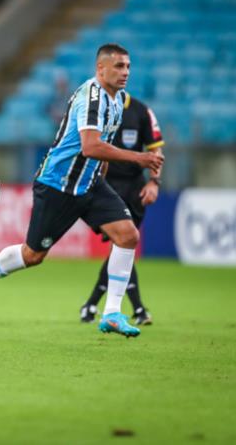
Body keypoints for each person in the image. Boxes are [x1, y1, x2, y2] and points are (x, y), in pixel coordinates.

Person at [0, 44, 163, 338]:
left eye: (128, 66)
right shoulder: (92, 98)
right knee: (33, 255)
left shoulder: (117, 101)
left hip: (90, 185)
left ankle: (112, 314)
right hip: (58, 185)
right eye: (119, 66)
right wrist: (140, 158)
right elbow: (91, 145)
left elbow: (99, 151)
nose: (125, 72)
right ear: (100, 69)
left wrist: (106, 191)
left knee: (128, 235)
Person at [79, 93, 164, 326]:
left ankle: (92, 305)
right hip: (104, 186)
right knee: (122, 246)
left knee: (122, 247)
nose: (122, 73)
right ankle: (137, 308)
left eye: (126, 67)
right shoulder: (94, 109)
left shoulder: (141, 111)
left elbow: (156, 150)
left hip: (134, 190)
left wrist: (154, 182)